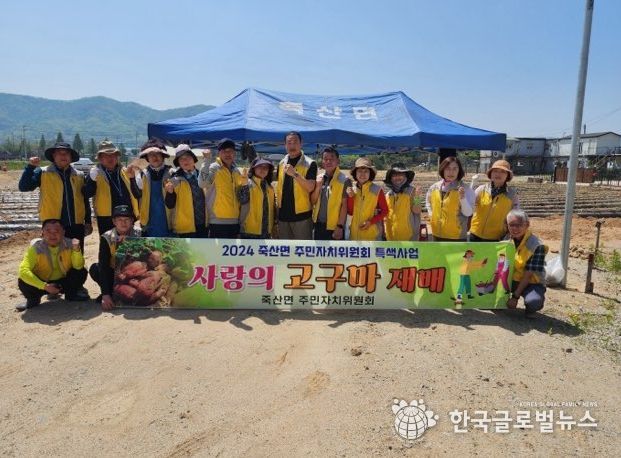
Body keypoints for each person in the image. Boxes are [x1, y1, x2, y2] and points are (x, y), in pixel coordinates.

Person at [18, 141, 92, 248]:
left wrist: (88, 221)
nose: (63, 156)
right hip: (52, 226)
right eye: (59, 153)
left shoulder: (79, 175)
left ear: (71, 157)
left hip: (76, 225)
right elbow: (24, 187)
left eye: (66, 153)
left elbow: (84, 200)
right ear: (54, 156)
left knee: (76, 254)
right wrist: (30, 167)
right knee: (53, 256)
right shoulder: (43, 172)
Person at [16, 219, 89, 311]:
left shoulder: (70, 244)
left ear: (63, 232)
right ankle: (32, 299)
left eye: (57, 231)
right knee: (23, 280)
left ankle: (71, 294)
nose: (52, 235)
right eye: (48, 231)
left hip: (64, 282)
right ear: (42, 233)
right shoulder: (35, 248)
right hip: (42, 283)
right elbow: (23, 270)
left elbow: (78, 266)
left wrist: (76, 250)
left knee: (81, 271)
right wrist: (45, 286)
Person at [89, 205, 141, 310]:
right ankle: (109, 293)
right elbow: (103, 265)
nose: (123, 223)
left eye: (127, 219)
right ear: (114, 222)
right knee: (95, 268)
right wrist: (105, 294)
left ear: (132, 221)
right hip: (114, 273)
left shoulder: (141, 234)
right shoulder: (106, 237)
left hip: (134, 272)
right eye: (120, 220)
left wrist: (130, 243)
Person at [84, 140, 138, 234]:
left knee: (129, 242)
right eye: (106, 155)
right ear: (100, 158)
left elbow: (136, 193)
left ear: (117, 157)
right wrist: (92, 180)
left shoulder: (125, 171)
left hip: (127, 216)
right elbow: (86, 193)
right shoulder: (95, 173)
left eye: (113, 155)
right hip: (106, 217)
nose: (110, 158)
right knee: (107, 242)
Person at [505, 209, 547, 318]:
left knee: (533, 302)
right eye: (511, 225)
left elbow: (528, 275)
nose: (515, 228)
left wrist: (515, 297)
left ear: (527, 225)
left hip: (531, 282)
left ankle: (531, 307)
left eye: (519, 225)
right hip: (511, 279)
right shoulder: (506, 240)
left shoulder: (537, 246)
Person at [275, 131, 317, 240]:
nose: (292, 145)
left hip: (302, 217)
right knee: (285, 249)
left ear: (301, 144)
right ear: (285, 145)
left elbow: (310, 187)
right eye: (289, 142)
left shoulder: (310, 163)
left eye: (295, 142)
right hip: (283, 217)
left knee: (302, 249)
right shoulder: (281, 163)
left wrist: (294, 174)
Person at [128, 138, 173, 237]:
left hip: (169, 219)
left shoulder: (172, 173)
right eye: (150, 155)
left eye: (157, 154)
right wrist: (132, 179)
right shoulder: (143, 174)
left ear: (163, 156)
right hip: (149, 219)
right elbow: (137, 194)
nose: (154, 157)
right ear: (147, 158)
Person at [199, 138, 242, 238]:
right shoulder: (214, 167)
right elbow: (202, 183)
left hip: (235, 221)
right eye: (224, 151)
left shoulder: (236, 171)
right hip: (217, 221)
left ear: (234, 154)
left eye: (230, 151)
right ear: (219, 153)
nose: (227, 154)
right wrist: (206, 161)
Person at [425, 156, 474, 241]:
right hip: (437, 234)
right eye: (448, 168)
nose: (451, 172)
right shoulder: (434, 187)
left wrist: (462, 199)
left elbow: (468, 213)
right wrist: (431, 215)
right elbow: (428, 202)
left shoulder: (465, 189)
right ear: (442, 170)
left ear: (459, 171)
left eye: (455, 169)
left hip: (456, 237)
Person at [470, 160, 519, 241]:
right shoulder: (481, 189)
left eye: (503, 172)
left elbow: (516, 216)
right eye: (495, 171)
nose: (498, 174)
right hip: (475, 234)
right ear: (491, 173)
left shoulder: (512, 195)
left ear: (507, 175)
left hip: (496, 238)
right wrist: (472, 184)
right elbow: (469, 203)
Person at [165, 144, 207, 237]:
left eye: (188, 157)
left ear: (193, 159)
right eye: (181, 159)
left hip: (204, 225)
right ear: (178, 163)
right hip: (184, 228)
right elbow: (169, 205)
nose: (185, 160)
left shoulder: (203, 176)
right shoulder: (174, 180)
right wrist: (170, 193)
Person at [310, 146, 350, 240]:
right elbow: (312, 201)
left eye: (331, 159)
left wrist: (340, 226)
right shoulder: (318, 178)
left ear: (338, 161)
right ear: (322, 161)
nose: (328, 161)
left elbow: (344, 206)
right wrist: (318, 187)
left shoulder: (344, 180)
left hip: (335, 227)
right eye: (325, 159)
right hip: (318, 225)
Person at [346, 157, 388, 241]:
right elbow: (350, 212)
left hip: (372, 236)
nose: (363, 174)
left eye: (366, 171)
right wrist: (350, 197)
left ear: (370, 174)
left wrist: (370, 222)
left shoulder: (377, 190)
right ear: (355, 173)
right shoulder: (352, 190)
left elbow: (385, 211)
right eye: (359, 171)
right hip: (354, 234)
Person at [238, 158, 276, 239]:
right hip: (249, 231)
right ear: (254, 168)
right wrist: (244, 185)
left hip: (266, 231)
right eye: (260, 166)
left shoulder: (270, 187)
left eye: (266, 167)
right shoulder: (247, 183)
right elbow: (242, 200)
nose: (263, 169)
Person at [383, 162, 422, 241]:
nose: (397, 177)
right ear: (390, 178)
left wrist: (417, 197)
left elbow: (417, 210)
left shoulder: (412, 191)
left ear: (405, 176)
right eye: (394, 175)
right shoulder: (388, 195)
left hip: (409, 238)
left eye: (400, 174)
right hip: (391, 237)